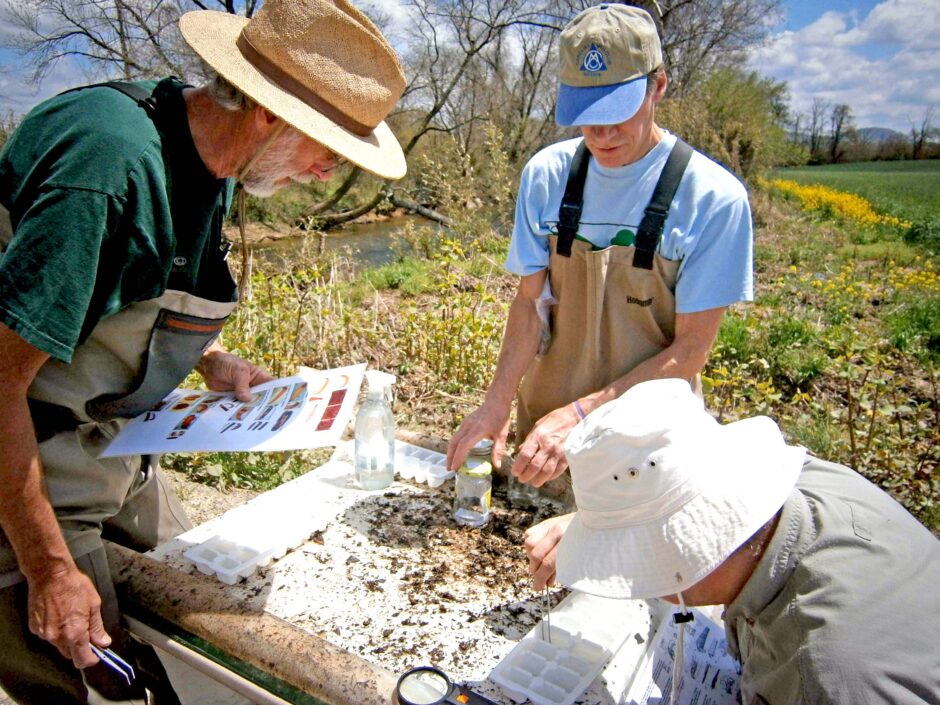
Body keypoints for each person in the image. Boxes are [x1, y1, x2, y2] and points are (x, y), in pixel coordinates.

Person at [0, 0, 406, 702]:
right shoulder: (106, 171)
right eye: (326, 150)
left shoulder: (214, 161)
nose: (321, 173)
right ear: (270, 113)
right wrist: (49, 569)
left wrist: (209, 359)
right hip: (25, 478)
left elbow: (128, 292)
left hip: (117, 453)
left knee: (196, 616)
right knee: (94, 680)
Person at [447, 4, 753, 488]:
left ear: (659, 85)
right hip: (544, 447)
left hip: (648, 454)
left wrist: (583, 415)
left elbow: (690, 350)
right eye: (587, 115)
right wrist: (495, 403)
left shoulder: (713, 198)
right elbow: (529, 305)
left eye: (617, 111)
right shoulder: (546, 176)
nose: (602, 134)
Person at [524, 378, 940, 705]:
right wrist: (613, 518)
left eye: (630, 559)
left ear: (681, 552)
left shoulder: (819, 675)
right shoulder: (806, 482)